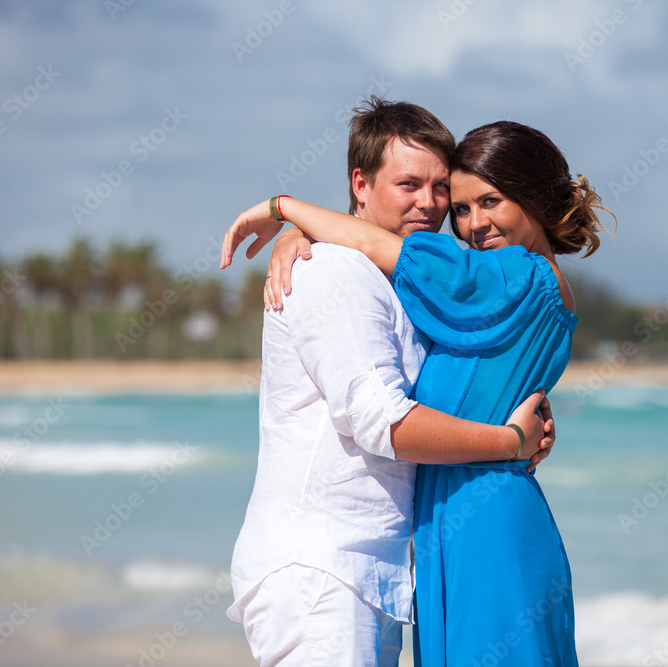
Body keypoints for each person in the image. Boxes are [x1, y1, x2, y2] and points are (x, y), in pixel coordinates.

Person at [223, 119, 613, 666]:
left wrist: (284, 209)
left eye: (487, 201)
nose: (465, 221)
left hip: (475, 534)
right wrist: (302, 234)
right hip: (355, 563)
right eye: (462, 206)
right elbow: (389, 407)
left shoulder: (504, 278)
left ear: (535, 199)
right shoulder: (422, 291)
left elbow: (375, 246)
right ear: (361, 184)